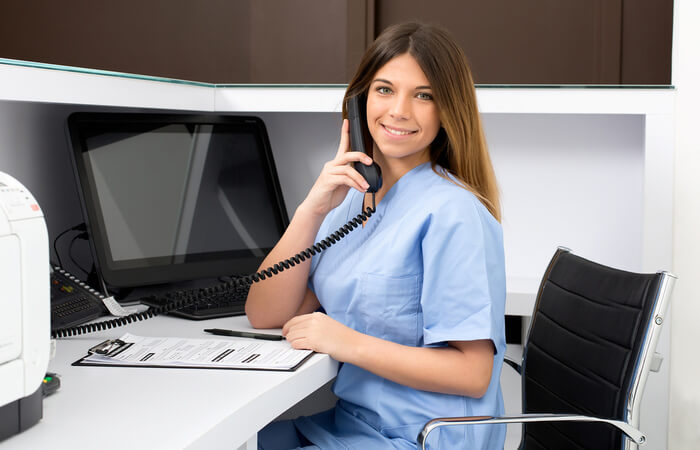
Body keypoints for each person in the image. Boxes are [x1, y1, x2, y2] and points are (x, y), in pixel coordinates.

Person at [246, 21, 506, 450]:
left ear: (448, 111)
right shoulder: (354, 202)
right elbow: (266, 313)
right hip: (350, 427)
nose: (399, 110)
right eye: (385, 90)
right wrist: (312, 209)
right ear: (359, 101)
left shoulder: (453, 213)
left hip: (419, 439)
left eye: (424, 96)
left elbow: (472, 373)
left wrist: (346, 342)